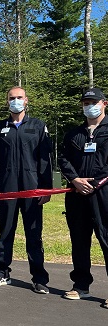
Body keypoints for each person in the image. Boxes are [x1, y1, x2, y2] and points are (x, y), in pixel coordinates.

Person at [0, 86, 52, 293]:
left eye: (19, 98)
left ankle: (39, 278)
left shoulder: (38, 126)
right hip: (7, 187)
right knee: (5, 231)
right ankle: (1, 272)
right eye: (12, 98)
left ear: (26, 101)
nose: (15, 101)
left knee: (34, 233)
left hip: (32, 188)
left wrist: (46, 189)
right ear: (7, 102)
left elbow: (45, 160)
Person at [58, 87, 108, 309]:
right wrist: (75, 180)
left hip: (103, 194)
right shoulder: (73, 134)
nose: (90, 106)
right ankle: (81, 286)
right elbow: (63, 159)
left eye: (94, 102)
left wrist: (95, 183)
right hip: (77, 194)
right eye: (86, 103)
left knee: (106, 239)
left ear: (104, 103)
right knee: (79, 241)